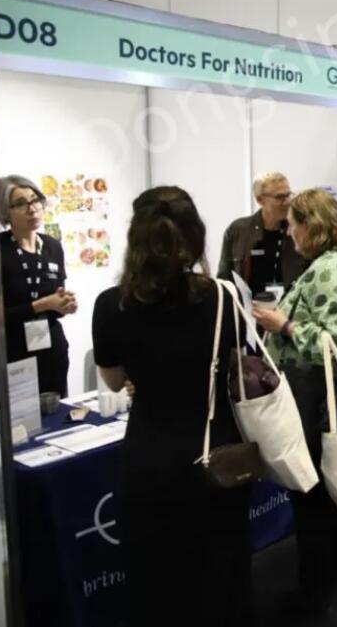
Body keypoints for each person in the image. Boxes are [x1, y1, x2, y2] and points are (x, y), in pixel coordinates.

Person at [92, 186, 252, 626]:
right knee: (222, 579)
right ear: (196, 236)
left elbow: (114, 380)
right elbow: (237, 365)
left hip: (151, 460)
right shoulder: (222, 297)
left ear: (135, 239)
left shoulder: (111, 305)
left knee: (156, 583)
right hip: (218, 457)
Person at [251, 188, 337, 613]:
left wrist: (282, 325)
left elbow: (331, 343)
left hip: (325, 393)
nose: (288, 234)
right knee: (334, 486)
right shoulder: (334, 262)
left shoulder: (330, 269)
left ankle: (315, 590)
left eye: (292, 225)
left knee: (314, 493)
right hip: (328, 391)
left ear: (311, 225)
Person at [0, 175, 76, 396]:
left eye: (35, 200)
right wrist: (41, 305)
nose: (32, 209)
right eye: (20, 204)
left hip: (52, 348)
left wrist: (65, 304)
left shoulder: (52, 246)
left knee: (59, 411)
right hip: (15, 353)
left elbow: (57, 302)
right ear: (6, 211)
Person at [218, 171, 308, 297]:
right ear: (260, 200)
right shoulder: (238, 230)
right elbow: (224, 278)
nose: (287, 202)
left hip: (290, 305)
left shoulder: (298, 229)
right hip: (249, 306)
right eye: (280, 197)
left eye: (288, 195)